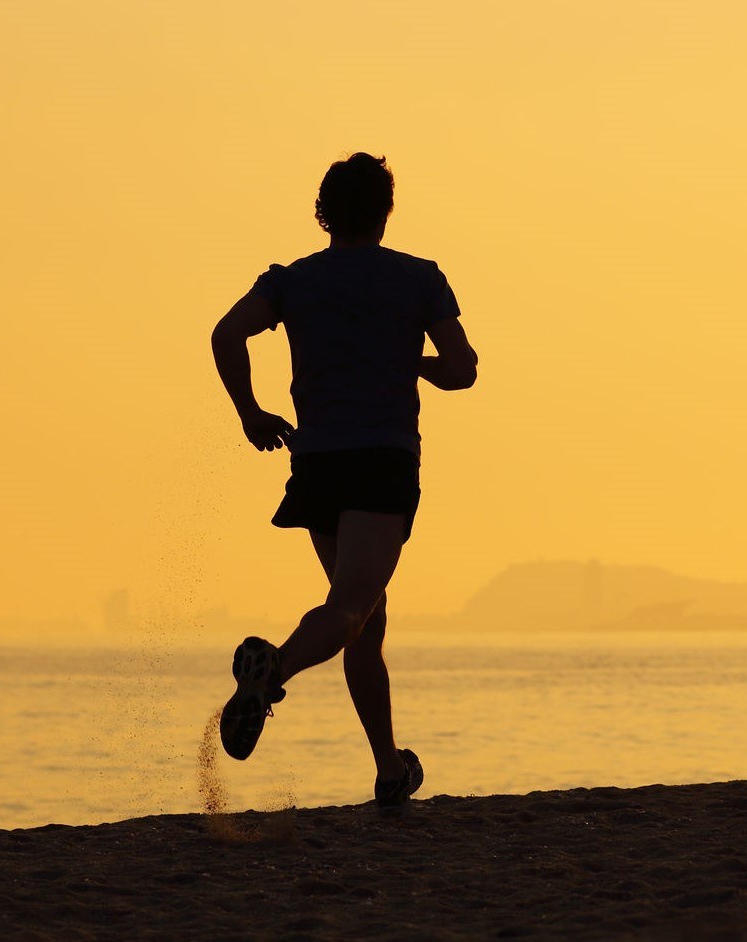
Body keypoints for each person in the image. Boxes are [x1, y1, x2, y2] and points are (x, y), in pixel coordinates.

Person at [208, 152, 477, 806]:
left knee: (366, 615)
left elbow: (226, 335)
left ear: (324, 212)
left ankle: (389, 769)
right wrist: (412, 361)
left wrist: (250, 415)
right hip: (381, 461)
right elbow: (462, 368)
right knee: (351, 607)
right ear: (385, 212)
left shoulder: (292, 281)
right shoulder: (418, 280)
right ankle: (274, 669)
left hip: (318, 462)